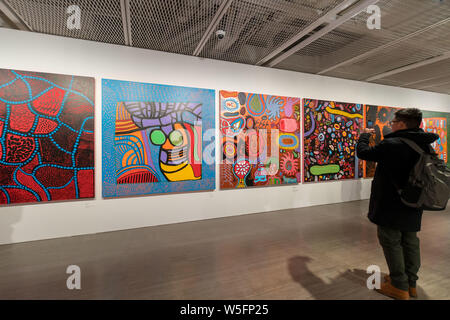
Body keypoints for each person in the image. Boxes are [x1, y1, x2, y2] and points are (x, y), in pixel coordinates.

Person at [356, 108, 439, 300]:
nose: (391, 125)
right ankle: (411, 284)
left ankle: (398, 286)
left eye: (393, 122)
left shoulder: (392, 144)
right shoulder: (425, 145)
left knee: (391, 241)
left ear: (401, 124)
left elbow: (364, 153)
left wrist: (363, 137)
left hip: (390, 203)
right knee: (410, 241)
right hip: (414, 201)